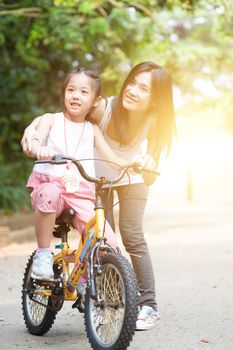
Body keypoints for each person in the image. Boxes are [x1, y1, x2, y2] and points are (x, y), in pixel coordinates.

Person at [21, 61, 176, 331]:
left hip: (130, 177)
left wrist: (147, 163)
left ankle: (148, 304)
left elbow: (150, 174)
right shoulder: (102, 108)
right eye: (132, 83)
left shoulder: (155, 122)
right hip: (95, 179)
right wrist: (33, 130)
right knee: (100, 241)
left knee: (131, 235)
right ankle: (102, 298)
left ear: (155, 100)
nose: (133, 91)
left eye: (143, 89)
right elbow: (62, 116)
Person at [24, 68, 131, 284]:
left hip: (80, 192)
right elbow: (35, 139)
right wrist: (38, 149)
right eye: (71, 90)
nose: (75, 95)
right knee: (48, 194)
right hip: (51, 185)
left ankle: (86, 279)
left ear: (95, 100)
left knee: (106, 239)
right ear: (63, 94)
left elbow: (113, 158)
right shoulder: (51, 120)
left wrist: (132, 164)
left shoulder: (92, 130)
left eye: (83, 92)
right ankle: (43, 254)